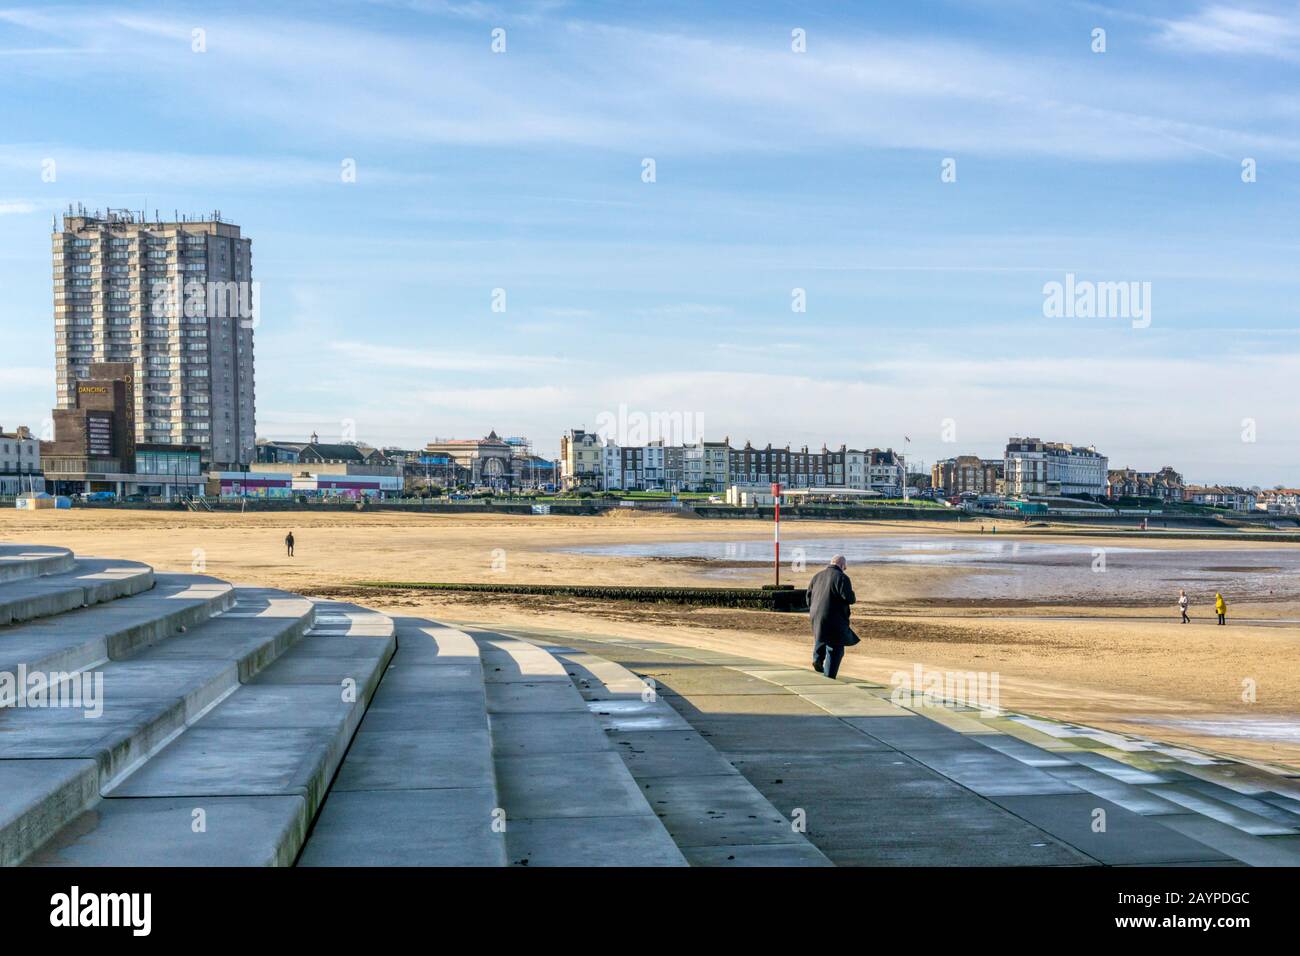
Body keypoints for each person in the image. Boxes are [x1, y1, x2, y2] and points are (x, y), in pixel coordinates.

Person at [807, 555, 859, 679]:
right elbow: (849, 598)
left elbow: (808, 597)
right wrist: (852, 594)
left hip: (816, 614)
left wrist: (814, 609)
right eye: (845, 567)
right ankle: (829, 677)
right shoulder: (842, 577)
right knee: (836, 647)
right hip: (834, 617)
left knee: (821, 635)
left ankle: (817, 659)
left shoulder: (817, 576)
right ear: (842, 565)